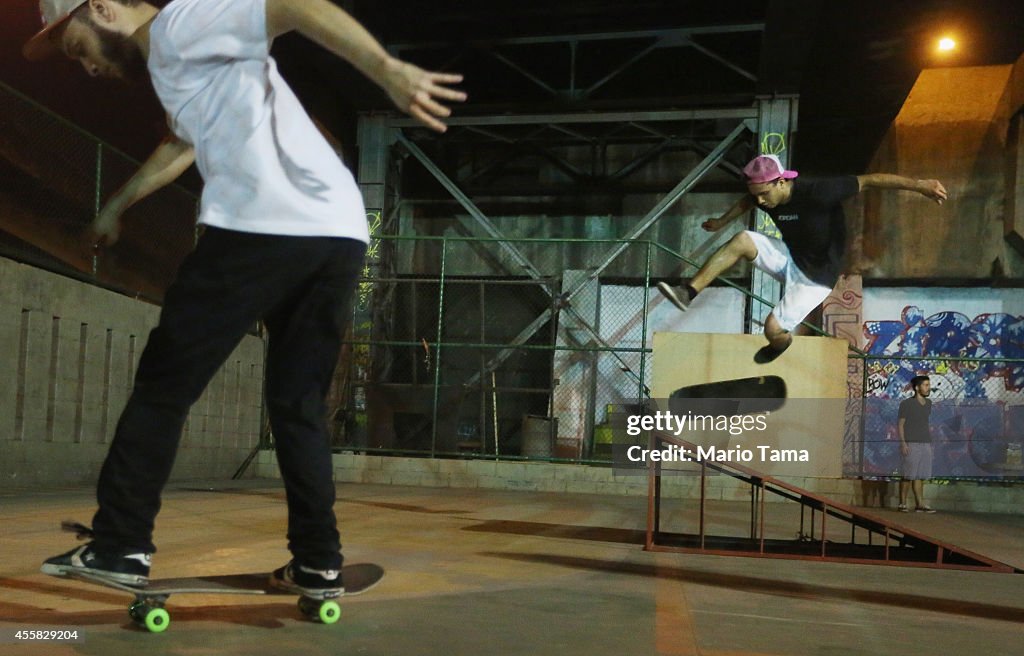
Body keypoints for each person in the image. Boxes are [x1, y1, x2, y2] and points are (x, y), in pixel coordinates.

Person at [23, 0, 465, 598]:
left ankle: (119, 543)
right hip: (335, 234)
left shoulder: (181, 23)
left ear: (101, 9)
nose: (86, 68)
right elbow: (182, 145)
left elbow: (292, 6)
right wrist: (116, 206)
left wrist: (386, 69)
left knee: (164, 385)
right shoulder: (179, 67)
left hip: (261, 227)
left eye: (78, 49)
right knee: (297, 404)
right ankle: (317, 562)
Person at [657, 154, 947, 362]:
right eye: (756, 195)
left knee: (772, 328)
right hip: (790, 259)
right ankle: (688, 291)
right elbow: (746, 200)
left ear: (782, 181)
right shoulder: (761, 197)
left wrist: (919, 185)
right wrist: (721, 222)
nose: (760, 202)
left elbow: (870, 181)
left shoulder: (819, 191)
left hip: (816, 278)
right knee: (742, 240)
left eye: (764, 194)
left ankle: (780, 343)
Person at [897, 375, 936, 513]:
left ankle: (920, 504)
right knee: (908, 474)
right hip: (911, 443)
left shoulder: (929, 403)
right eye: (925, 385)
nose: (928, 388)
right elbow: (901, 424)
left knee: (920, 475)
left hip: (925, 442)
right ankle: (902, 503)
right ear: (917, 387)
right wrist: (903, 443)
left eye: (928, 385)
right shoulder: (906, 404)